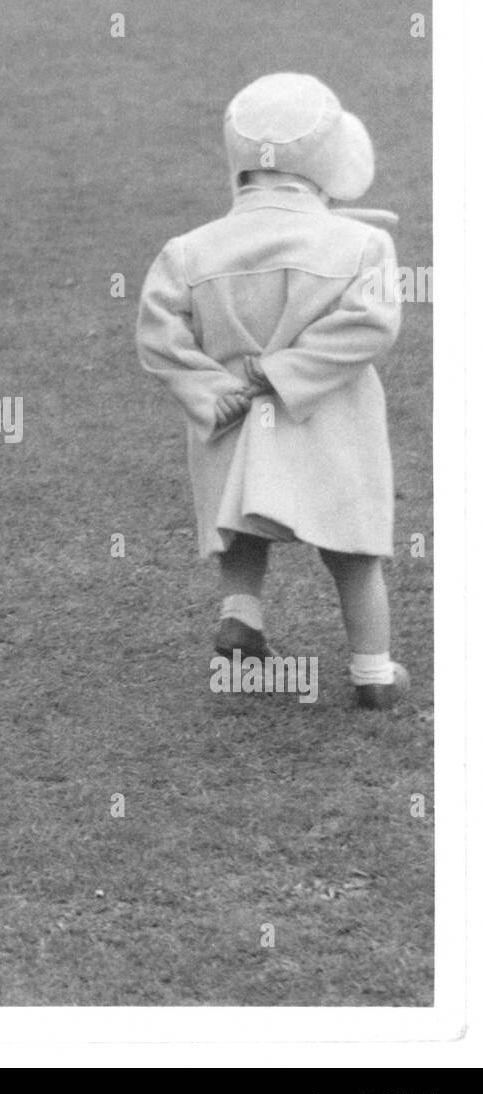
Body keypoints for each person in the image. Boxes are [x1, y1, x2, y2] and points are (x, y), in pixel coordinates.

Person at [137, 72, 408, 709]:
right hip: (328, 419)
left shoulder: (189, 250)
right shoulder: (364, 243)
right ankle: (372, 670)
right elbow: (371, 324)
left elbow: (157, 333)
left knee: (244, 519)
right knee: (351, 545)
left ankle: (243, 616)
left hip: (233, 420)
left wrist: (212, 388)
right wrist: (285, 373)